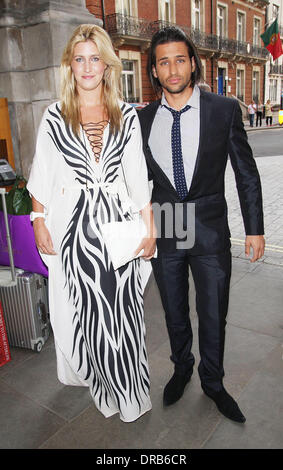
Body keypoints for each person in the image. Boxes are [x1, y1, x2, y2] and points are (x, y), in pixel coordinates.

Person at [27, 24, 156, 423]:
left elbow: (137, 178)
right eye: (79, 58)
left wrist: (150, 228)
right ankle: (106, 391)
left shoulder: (125, 116)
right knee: (92, 315)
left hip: (119, 229)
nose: (87, 66)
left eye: (94, 58)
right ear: (71, 65)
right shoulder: (55, 116)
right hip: (77, 233)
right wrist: (38, 221)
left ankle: (132, 394)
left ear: (106, 65)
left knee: (126, 314)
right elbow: (42, 173)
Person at [138, 26, 265, 423]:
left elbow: (246, 172)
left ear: (192, 63)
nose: (173, 69)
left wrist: (255, 228)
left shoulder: (222, 109)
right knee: (174, 310)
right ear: (154, 71)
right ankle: (182, 368)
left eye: (180, 59)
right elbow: (132, 181)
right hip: (167, 225)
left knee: (213, 310)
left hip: (209, 227)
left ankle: (213, 381)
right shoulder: (140, 121)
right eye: (163, 62)